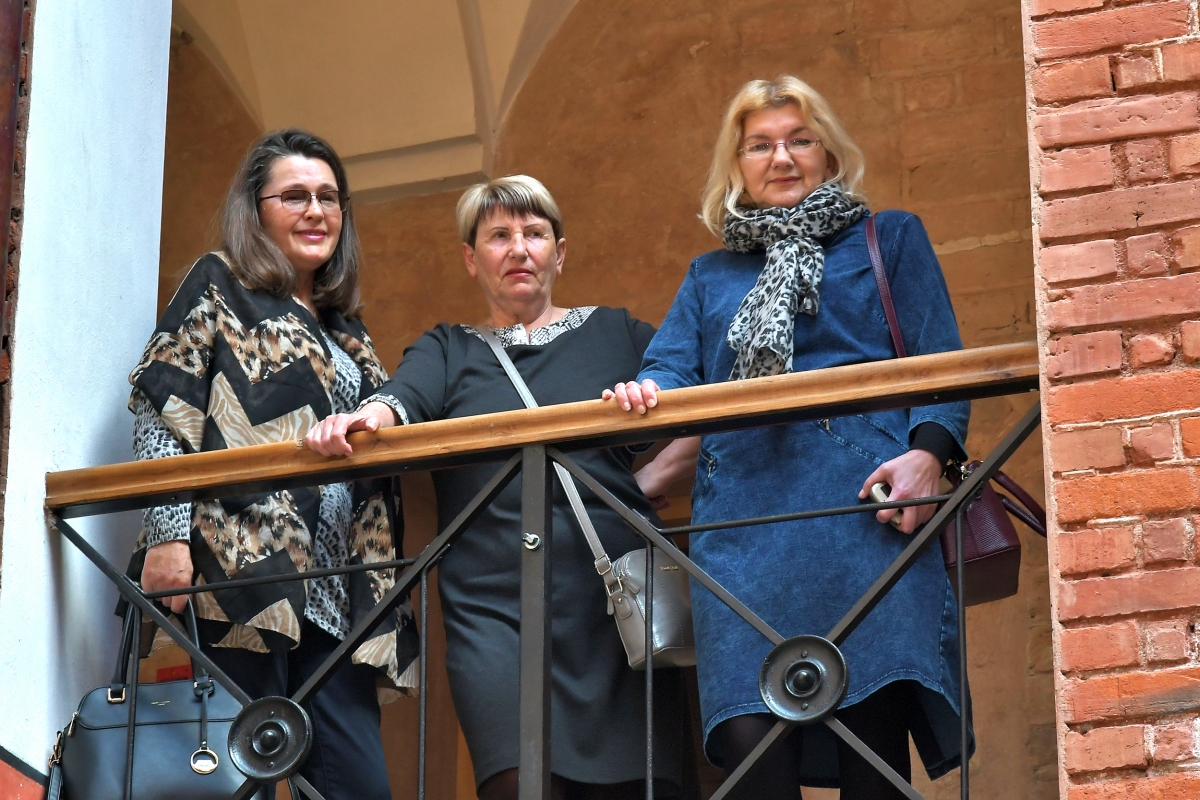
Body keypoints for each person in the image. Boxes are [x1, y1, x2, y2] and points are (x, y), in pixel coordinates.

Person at [606, 76, 972, 799]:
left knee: (870, 747)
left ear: (828, 155)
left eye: (800, 139)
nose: (781, 157)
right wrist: (644, 390)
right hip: (743, 536)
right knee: (750, 752)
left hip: (864, 516)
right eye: (759, 145)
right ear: (736, 166)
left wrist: (929, 455)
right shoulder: (710, 275)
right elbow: (670, 368)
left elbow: (943, 363)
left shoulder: (889, 237)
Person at [305, 175, 686, 800]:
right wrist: (363, 419)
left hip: (615, 601)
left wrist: (643, 482)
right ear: (470, 257)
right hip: (490, 611)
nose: (518, 249)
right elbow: (401, 399)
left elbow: (702, 402)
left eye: (534, 234)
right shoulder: (448, 348)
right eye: (499, 236)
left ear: (560, 253)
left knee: (634, 787)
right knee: (514, 782)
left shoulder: (618, 332)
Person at [128, 129, 416, 800]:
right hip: (237, 577)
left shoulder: (348, 328)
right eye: (294, 196)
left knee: (358, 785)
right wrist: (168, 535)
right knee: (229, 784)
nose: (316, 210)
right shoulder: (219, 282)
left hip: (336, 599)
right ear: (255, 210)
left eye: (328, 197)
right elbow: (161, 406)